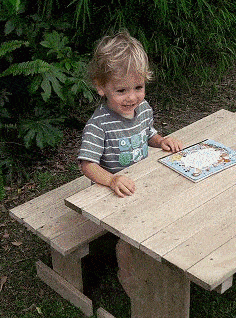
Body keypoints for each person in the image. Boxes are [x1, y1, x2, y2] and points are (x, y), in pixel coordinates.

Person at [77, 30, 182, 296]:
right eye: (121, 90)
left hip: (139, 184)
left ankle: (164, 258)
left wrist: (160, 141)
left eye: (138, 87)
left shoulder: (143, 109)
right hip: (110, 192)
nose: (132, 97)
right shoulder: (99, 125)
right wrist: (111, 180)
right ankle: (128, 275)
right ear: (101, 87)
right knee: (128, 241)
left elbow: (147, 133)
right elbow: (87, 165)